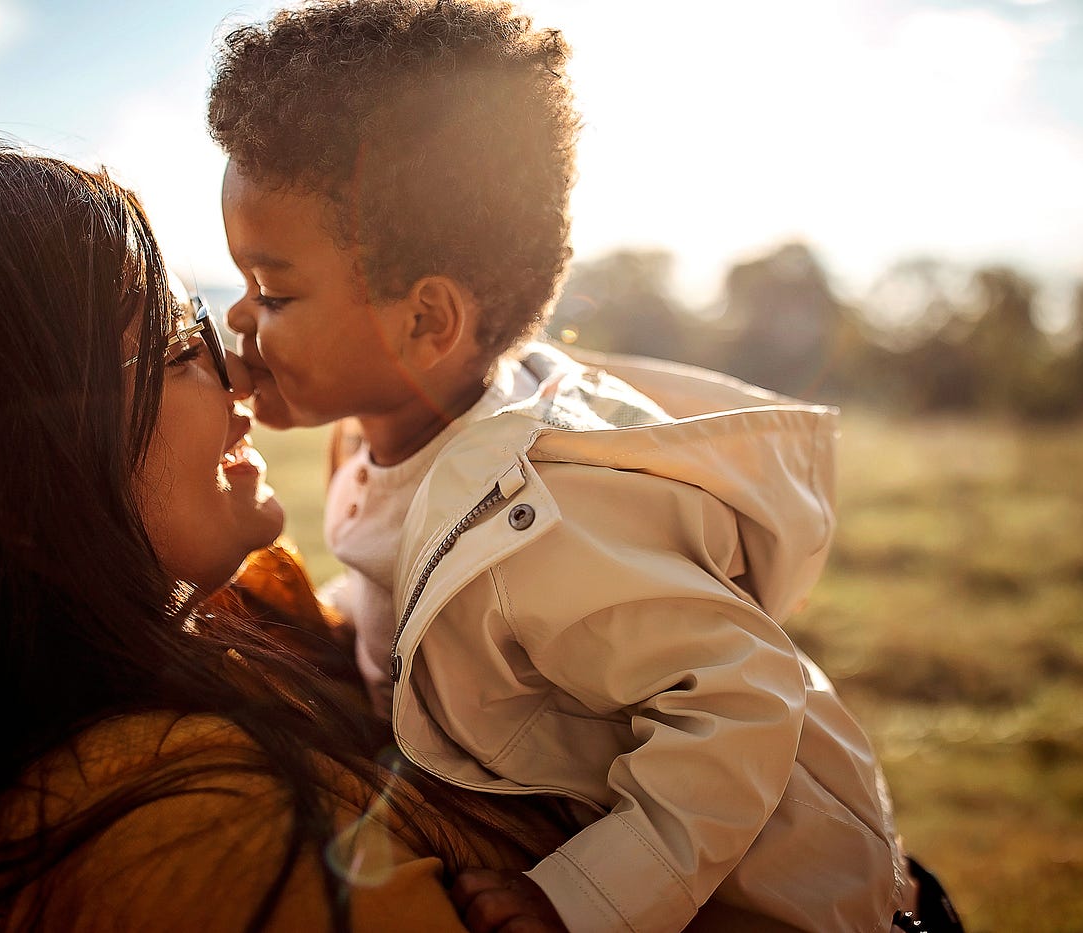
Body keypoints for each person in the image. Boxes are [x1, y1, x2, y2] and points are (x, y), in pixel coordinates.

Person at [208, 2, 961, 932]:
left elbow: (742, 700)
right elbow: (402, 608)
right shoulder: (384, 438)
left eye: (273, 290)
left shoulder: (548, 511)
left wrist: (584, 900)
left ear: (426, 322)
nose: (236, 318)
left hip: (797, 909)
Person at [0, 133, 579, 932]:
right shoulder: (186, 840)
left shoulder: (235, 614)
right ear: (13, 488)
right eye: (182, 346)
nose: (245, 372)